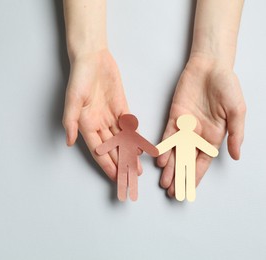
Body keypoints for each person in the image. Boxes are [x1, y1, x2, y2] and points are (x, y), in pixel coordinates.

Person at [62, 0, 246, 198]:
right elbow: (150, 145)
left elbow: (154, 146)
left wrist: (214, 58)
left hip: (135, 153)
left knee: (130, 173)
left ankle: (130, 194)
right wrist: (88, 49)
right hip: (141, 153)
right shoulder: (132, 135)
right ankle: (132, 193)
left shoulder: (130, 135)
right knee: (132, 173)